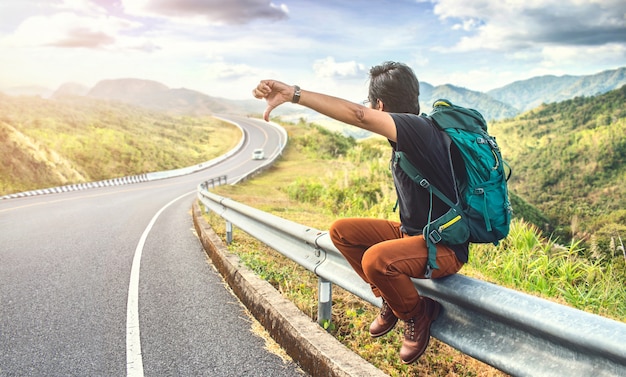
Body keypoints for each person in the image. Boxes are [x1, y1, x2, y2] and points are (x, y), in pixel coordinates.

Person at [252, 61, 468, 365]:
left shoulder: (417, 129)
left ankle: (418, 313)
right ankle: (392, 300)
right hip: (416, 236)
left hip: (444, 248)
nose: (367, 107)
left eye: (370, 103)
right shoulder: (412, 132)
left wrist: (293, 94)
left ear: (379, 105)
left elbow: (358, 116)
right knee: (342, 231)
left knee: (375, 259)